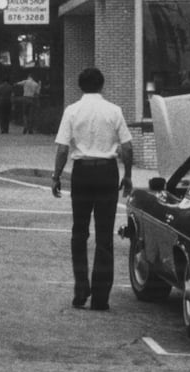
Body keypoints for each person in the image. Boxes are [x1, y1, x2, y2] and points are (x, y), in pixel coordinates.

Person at [52, 66, 134, 310]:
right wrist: (127, 175)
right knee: (104, 235)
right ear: (102, 85)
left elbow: (63, 149)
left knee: (79, 232)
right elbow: (127, 147)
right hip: (107, 171)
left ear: (80, 86)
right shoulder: (114, 110)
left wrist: (56, 175)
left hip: (82, 172)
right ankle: (100, 296)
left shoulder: (72, 111)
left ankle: (80, 289)